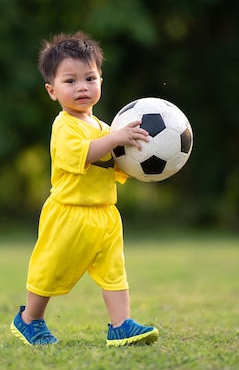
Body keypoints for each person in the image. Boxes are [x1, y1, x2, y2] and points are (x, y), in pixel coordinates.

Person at [10, 31, 159, 346]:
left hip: (105, 215)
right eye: (70, 81)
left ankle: (121, 324)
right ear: (52, 91)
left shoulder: (106, 127)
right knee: (50, 270)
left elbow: (116, 167)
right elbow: (85, 155)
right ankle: (29, 319)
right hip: (69, 214)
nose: (82, 87)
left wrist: (138, 158)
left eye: (90, 78)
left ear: (101, 83)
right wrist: (115, 140)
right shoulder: (64, 126)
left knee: (114, 272)